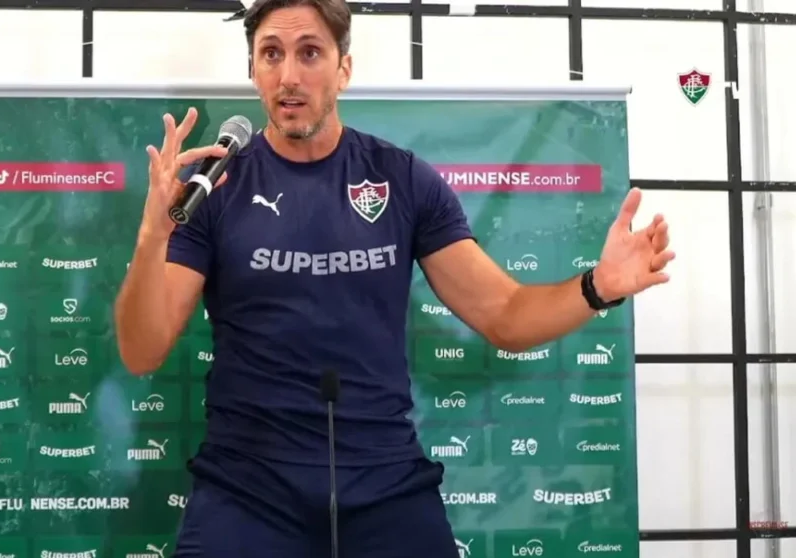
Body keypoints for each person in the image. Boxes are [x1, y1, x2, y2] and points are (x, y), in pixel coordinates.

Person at [113, 0, 675, 555]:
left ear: (344, 69)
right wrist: (150, 237)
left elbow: (504, 315)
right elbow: (142, 351)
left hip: (384, 482)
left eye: (310, 53)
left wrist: (599, 286)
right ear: (253, 71)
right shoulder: (212, 190)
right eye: (271, 54)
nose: (289, 76)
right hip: (246, 486)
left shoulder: (402, 179)